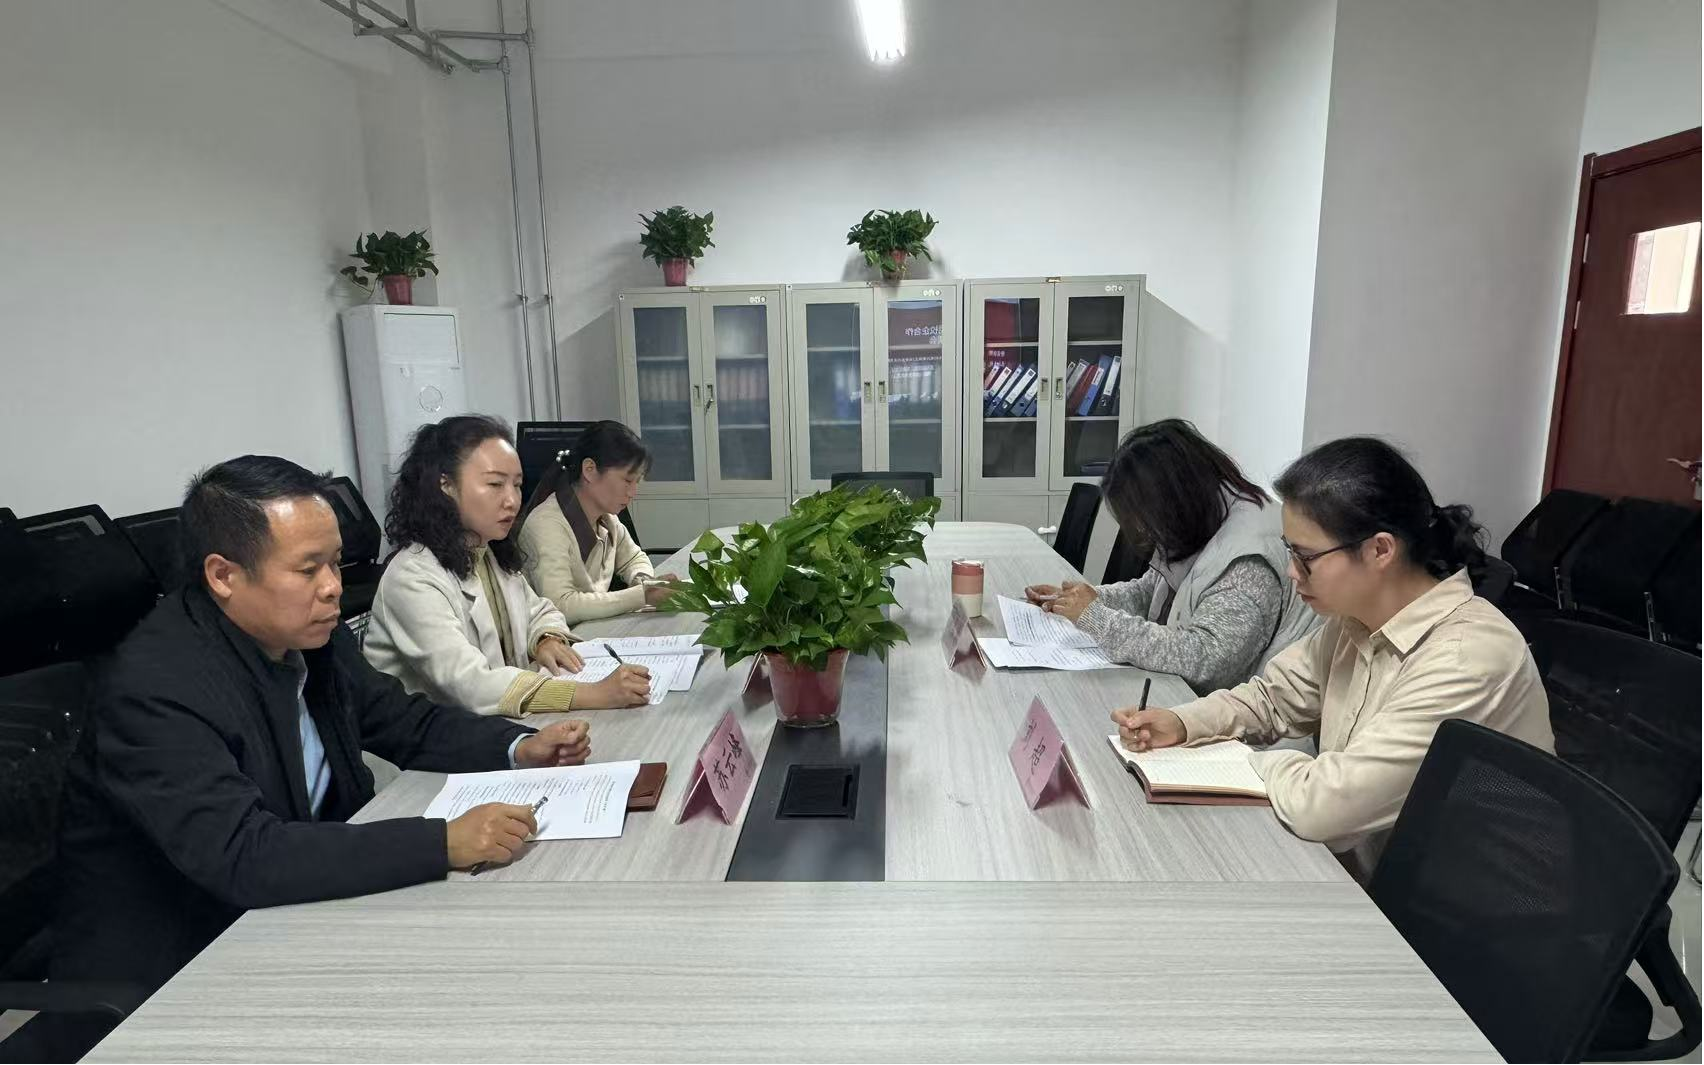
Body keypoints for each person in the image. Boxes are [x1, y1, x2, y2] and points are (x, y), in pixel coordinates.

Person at [38, 456, 594, 1060]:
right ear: (224, 575)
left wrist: (517, 745)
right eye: (308, 569)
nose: (332, 586)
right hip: (178, 974)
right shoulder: (155, 688)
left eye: (334, 562)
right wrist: (443, 841)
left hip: (293, 916)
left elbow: (400, 719)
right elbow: (244, 855)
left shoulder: (303, 636)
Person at [1112, 437, 1552, 881]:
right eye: (1290, 551)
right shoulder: (1356, 621)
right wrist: (1183, 723)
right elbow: (1271, 699)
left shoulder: (1465, 659)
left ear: (1380, 550)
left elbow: (1325, 808)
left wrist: (1245, 761)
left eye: (1306, 557)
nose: (1291, 572)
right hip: (1376, 870)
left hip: (1457, 905)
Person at [364, 416, 650, 714]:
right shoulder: (413, 575)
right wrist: (593, 694)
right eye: (495, 484)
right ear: (446, 485)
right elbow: (470, 684)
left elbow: (541, 610)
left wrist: (545, 639)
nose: (512, 500)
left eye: (517, 485)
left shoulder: (488, 553)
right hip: (431, 739)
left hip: (493, 726)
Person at [1025, 419, 1318, 693]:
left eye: (1145, 519)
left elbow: (1206, 661)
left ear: (1172, 501)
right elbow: (1150, 591)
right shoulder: (1201, 518)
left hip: (1242, 722)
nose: (1144, 530)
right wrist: (1085, 600)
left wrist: (1098, 619)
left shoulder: (1249, 563)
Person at [517, 420, 679, 624]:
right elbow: (561, 604)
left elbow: (633, 558)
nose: (632, 492)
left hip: (595, 630)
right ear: (590, 469)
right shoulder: (546, 525)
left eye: (637, 482)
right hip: (562, 637)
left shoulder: (607, 519)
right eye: (627, 480)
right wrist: (642, 595)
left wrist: (644, 580)